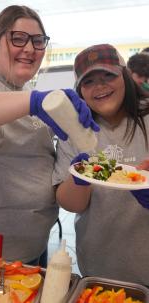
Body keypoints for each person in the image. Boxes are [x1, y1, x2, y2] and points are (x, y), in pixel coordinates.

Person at [0, 5, 98, 266]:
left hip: (33, 242)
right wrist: (33, 101)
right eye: (18, 38)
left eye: (38, 41)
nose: (30, 49)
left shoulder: (21, 88)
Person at [53, 43, 149, 284]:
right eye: (89, 81)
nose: (100, 86)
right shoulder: (73, 130)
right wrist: (79, 177)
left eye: (109, 75)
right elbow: (71, 204)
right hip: (99, 264)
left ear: (125, 76)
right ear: (80, 91)